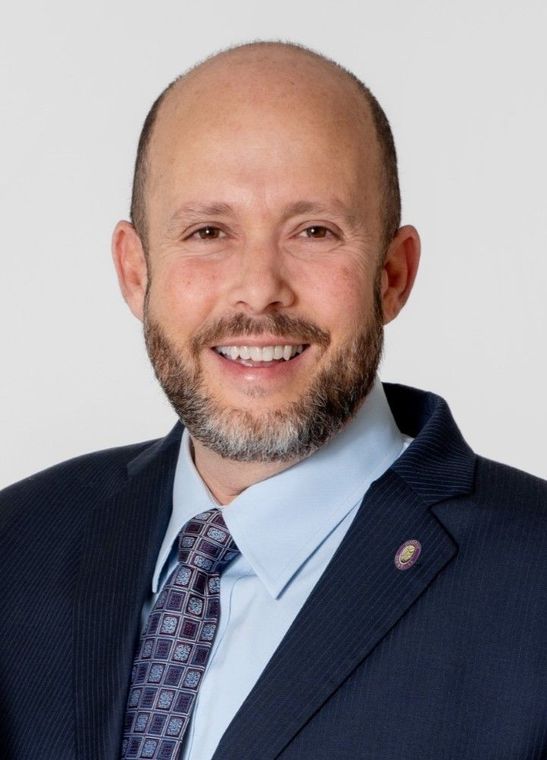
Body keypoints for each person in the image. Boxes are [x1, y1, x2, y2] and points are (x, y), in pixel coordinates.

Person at [0, 40, 546, 760]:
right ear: (137, 273)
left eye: (314, 231)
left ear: (392, 274)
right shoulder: (18, 545)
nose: (258, 289)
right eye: (208, 232)